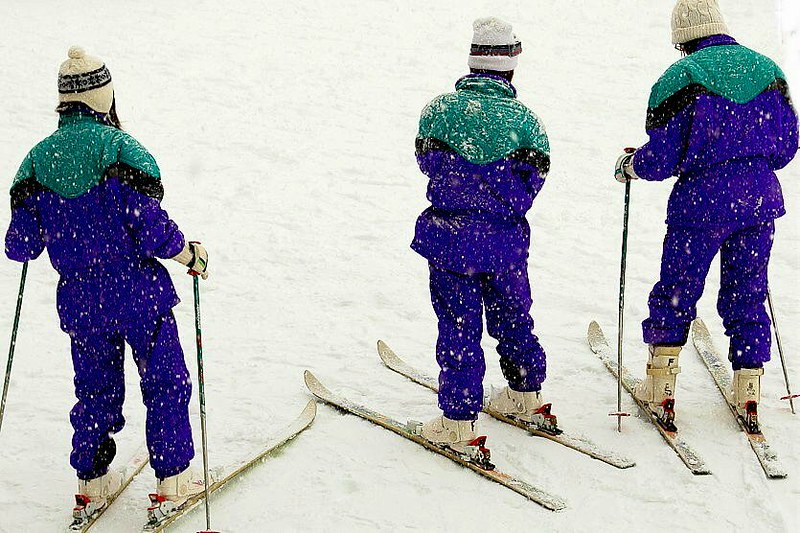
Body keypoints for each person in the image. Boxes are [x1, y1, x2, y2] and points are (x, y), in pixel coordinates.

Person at [4, 47, 211, 518]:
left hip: (83, 304)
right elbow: (152, 229)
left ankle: (92, 481)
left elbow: (21, 246)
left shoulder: (36, 161)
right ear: (103, 96)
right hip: (139, 295)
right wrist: (190, 255)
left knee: (95, 389)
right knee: (164, 382)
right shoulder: (120, 149)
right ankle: (175, 479)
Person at [614, 0, 798, 433]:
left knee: (677, 289)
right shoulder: (768, 71)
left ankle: (660, 388)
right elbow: (787, 145)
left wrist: (631, 166)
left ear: (682, 38)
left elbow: (660, 158)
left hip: (700, 206)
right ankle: (749, 389)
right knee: (749, 289)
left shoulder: (681, 78)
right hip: (757, 203)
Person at [411, 17, 554, 454]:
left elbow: (426, 161)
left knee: (458, 326)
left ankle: (458, 422)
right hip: (505, 243)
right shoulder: (527, 123)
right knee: (514, 318)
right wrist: (501, 205)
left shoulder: (439, 112)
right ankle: (527, 395)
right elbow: (535, 178)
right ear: (511, 63)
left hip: (451, 241)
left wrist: (461, 193)